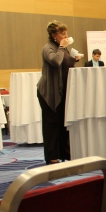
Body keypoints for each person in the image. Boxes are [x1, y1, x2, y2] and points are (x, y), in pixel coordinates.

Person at [38, 20, 76, 164]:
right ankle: (52, 156)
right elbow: (56, 61)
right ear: (54, 35)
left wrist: (75, 59)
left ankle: (65, 153)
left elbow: (66, 63)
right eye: (63, 34)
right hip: (50, 92)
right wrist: (61, 47)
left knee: (62, 123)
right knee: (51, 124)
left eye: (66, 33)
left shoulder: (63, 48)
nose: (66, 36)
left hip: (62, 90)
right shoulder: (48, 48)